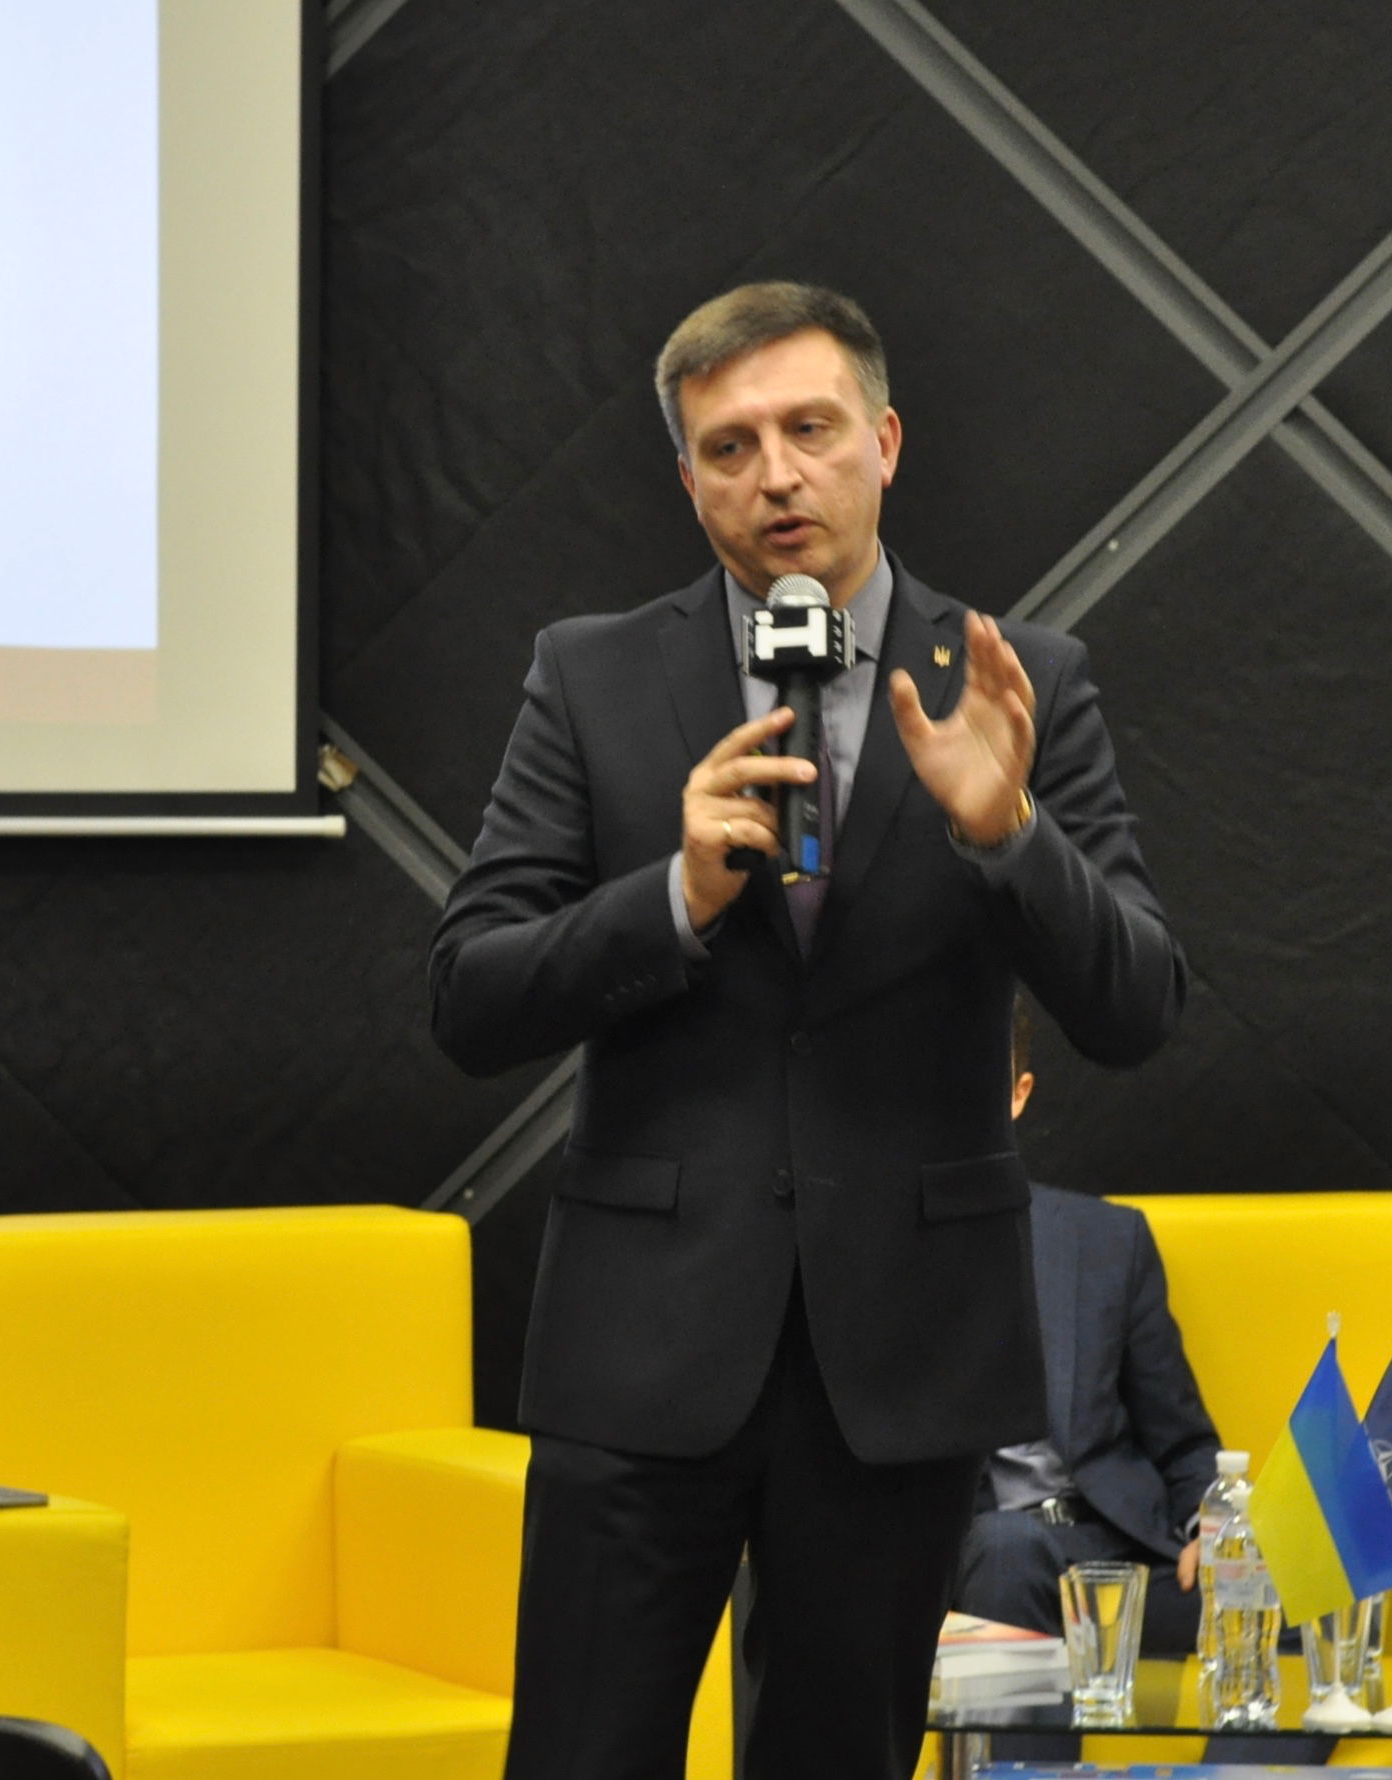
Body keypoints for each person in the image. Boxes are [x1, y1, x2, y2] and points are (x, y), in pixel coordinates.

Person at [427, 282, 1186, 1780]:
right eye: (729, 446)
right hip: (641, 1349)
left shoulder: (1018, 677)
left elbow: (1136, 1006)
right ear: (687, 478)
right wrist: (673, 894)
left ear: (884, 444)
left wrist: (1007, 833)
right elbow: (469, 994)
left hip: (900, 1356)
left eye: (810, 430)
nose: (774, 475)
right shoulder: (593, 674)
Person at [952, 1004, 1220, 1659]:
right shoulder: (875, 1251)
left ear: (1018, 1094)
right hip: (975, 1554)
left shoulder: (1107, 1239)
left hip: (1116, 1550)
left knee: (1307, 1589)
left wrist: (1209, 1527)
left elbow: (1182, 1442)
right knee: (1008, 1551)